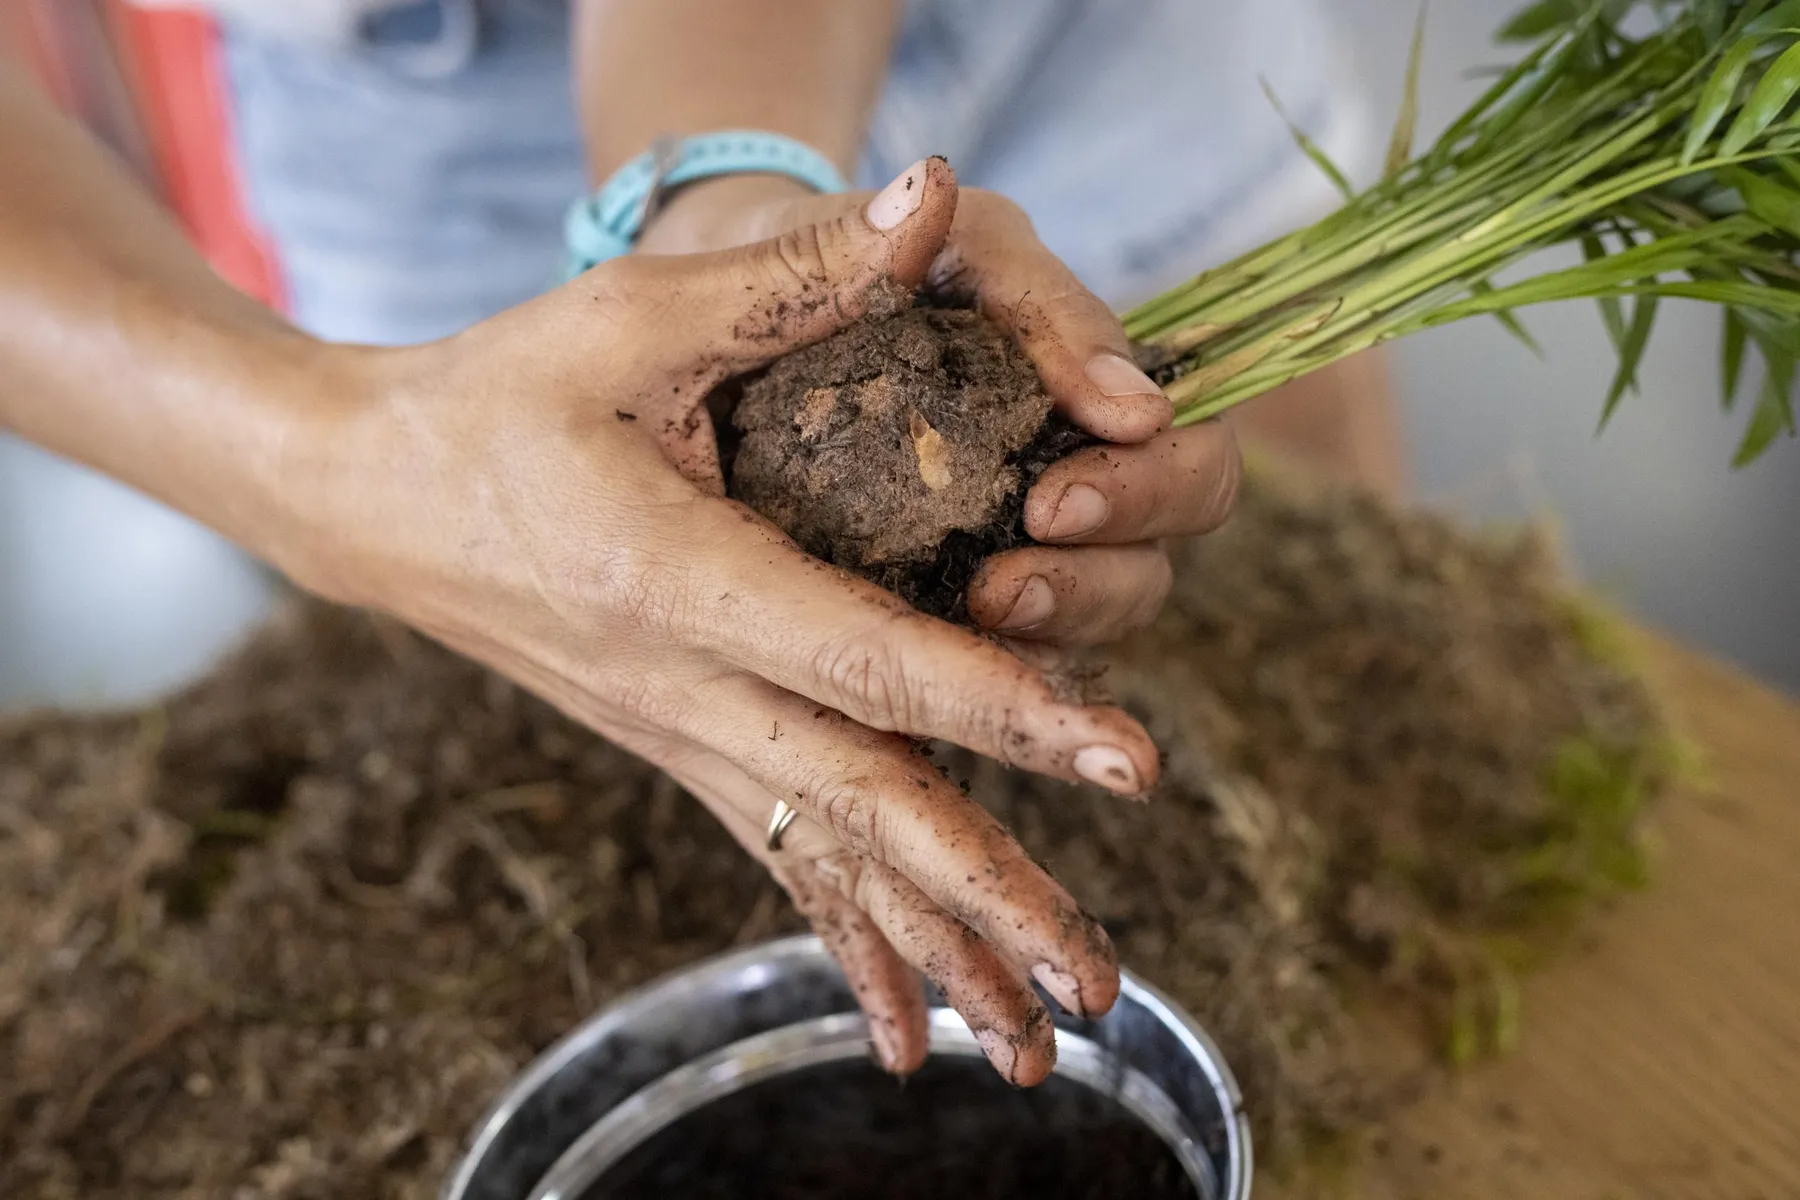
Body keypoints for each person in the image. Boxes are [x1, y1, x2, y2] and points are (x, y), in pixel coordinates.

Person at [0, 0, 1401, 1086]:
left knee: (1312, 627)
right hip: (419, 98)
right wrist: (327, 463)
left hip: (1066, 43)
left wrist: (718, 198)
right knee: (621, 740)